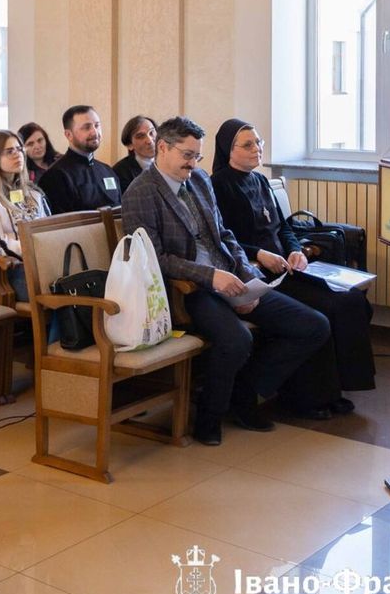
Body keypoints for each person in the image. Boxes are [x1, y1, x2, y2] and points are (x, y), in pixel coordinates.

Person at [122, 116, 330, 446]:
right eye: (187, 155)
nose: (193, 164)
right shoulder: (141, 193)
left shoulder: (200, 180)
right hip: (189, 289)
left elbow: (224, 235)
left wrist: (249, 278)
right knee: (236, 340)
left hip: (230, 276)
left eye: (197, 156)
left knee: (313, 326)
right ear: (162, 148)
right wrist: (211, 277)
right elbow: (155, 259)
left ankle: (245, 392)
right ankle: (209, 416)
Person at [211, 119, 375, 417]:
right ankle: (307, 398)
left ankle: (338, 388)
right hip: (260, 274)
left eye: (258, 142)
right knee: (325, 309)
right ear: (228, 150)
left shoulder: (260, 180)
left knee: (350, 300)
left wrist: (295, 249)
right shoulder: (220, 185)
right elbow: (224, 240)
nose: (257, 149)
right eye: (248, 145)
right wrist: (260, 254)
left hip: (287, 267)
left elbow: (284, 227)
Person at [0, 130, 50, 303]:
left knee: (77, 285)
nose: (17, 155)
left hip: (43, 262)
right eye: (9, 151)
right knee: (58, 292)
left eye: (19, 149)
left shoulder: (33, 191)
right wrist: (36, 250)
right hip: (10, 272)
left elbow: (51, 228)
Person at [38, 105, 122, 213]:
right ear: (69, 135)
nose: (94, 132)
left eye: (97, 125)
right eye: (86, 127)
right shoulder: (55, 176)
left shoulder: (107, 171)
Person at [112, 115, 157, 189]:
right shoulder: (120, 172)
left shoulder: (171, 162)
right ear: (129, 145)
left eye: (151, 132)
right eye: (141, 136)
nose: (150, 141)